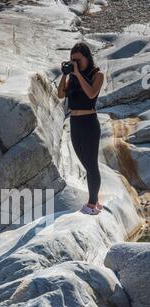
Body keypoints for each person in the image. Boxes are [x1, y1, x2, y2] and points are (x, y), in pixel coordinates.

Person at [57, 42, 104, 215]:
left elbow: (91, 93)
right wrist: (65, 75)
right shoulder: (73, 76)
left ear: (87, 57)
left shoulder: (97, 74)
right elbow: (60, 94)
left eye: (77, 59)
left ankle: (92, 205)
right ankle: (96, 200)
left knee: (91, 164)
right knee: (86, 164)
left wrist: (77, 73)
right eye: (72, 60)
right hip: (75, 123)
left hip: (89, 122)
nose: (74, 62)